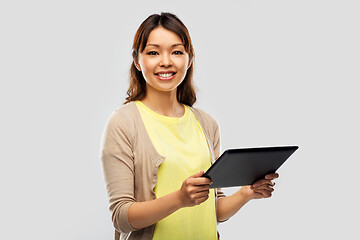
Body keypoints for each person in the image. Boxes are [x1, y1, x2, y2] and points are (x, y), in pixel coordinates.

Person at [100, 12, 279, 240]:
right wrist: (179, 199)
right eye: (153, 52)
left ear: (189, 59)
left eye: (176, 52)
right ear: (137, 60)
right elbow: (121, 218)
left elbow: (214, 209)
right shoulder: (123, 123)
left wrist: (247, 193)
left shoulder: (206, 123)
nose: (166, 61)